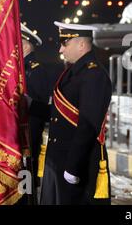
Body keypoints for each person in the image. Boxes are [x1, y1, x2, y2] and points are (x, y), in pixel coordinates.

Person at [29, 22, 112, 205]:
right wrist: (30, 105)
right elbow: (58, 114)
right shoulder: (73, 72)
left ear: (81, 44)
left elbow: (88, 125)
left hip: (76, 164)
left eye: (65, 44)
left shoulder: (94, 74)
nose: (60, 49)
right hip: (58, 159)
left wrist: (74, 167)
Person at [20, 23, 51, 203]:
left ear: (25, 44)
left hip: (29, 135)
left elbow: (40, 104)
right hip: (19, 135)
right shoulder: (21, 67)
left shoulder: (35, 69)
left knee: (26, 183)